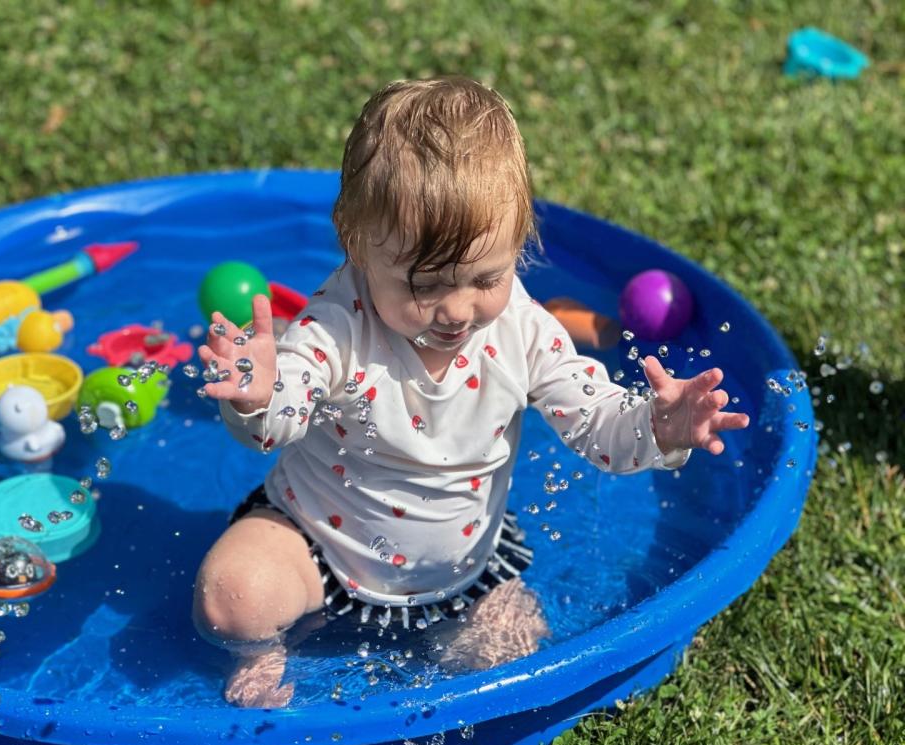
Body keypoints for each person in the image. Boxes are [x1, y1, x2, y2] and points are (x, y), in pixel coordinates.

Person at [192, 76, 749, 707]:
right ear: (356, 246)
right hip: (317, 542)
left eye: (486, 277)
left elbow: (595, 422)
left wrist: (656, 426)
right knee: (231, 599)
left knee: (511, 656)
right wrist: (256, 395)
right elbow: (277, 424)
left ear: (520, 245)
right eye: (424, 286)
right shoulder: (337, 328)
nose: (456, 311)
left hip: (461, 571)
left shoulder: (522, 328)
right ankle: (265, 655)